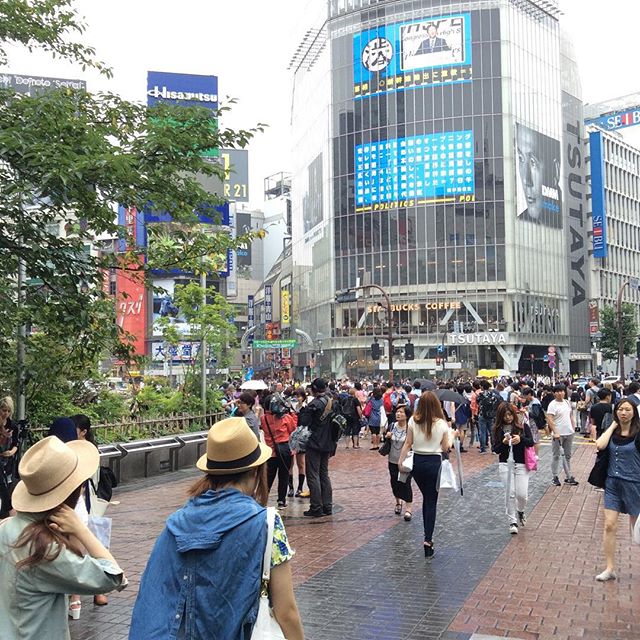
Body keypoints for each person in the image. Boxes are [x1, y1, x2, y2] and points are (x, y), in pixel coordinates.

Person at [129, 417, 304, 639]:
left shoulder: (177, 522)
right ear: (256, 470)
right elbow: (286, 612)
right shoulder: (266, 523)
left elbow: (153, 598)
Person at [0, 436, 126, 639]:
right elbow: (112, 577)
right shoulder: (44, 549)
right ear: (72, 493)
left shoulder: (6, 527)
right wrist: (81, 529)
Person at [398, 391, 452, 559]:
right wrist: (452, 436)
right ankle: (428, 539)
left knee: (426, 497)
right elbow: (445, 447)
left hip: (418, 463)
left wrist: (400, 461)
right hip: (434, 462)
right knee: (431, 501)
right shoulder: (441, 424)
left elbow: (408, 443)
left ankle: (427, 537)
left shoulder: (413, 421)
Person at [594, 399, 640, 582]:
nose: (623, 413)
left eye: (628, 410)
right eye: (620, 409)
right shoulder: (613, 432)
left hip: (635, 485)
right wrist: (613, 426)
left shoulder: (638, 434)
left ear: (634, 413)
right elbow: (599, 445)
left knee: (637, 532)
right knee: (609, 525)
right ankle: (610, 568)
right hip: (613, 484)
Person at [491, 403, 534, 535]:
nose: (508, 418)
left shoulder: (522, 425)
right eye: (505, 416)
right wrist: (504, 443)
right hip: (505, 464)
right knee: (510, 493)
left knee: (522, 495)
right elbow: (495, 449)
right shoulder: (497, 429)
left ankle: (520, 510)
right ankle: (512, 522)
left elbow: (531, 442)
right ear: (500, 416)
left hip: (521, 464)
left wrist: (520, 439)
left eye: (510, 415)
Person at [516, 123, 562, 226]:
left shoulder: (569, 217)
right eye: (521, 158)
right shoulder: (520, 222)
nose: (526, 180)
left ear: (555, 170)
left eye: (533, 162)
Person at [303, 378, 336, 518]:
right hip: (328, 443)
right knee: (324, 474)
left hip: (314, 443)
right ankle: (327, 506)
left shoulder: (314, 404)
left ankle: (316, 507)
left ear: (314, 389)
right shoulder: (331, 402)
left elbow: (303, 422)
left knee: (313, 475)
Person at [261, 394, 297, 508]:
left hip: (271, 452)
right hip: (285, 450)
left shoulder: (263, 418)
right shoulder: (286, 418)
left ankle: (263, 499)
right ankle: (281, 500)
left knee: (268, 477)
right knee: (284, 475)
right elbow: (293, 430)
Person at [385, 404, 413, 521]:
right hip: (392, 459)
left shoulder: (410, 428)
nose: (398, 414)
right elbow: (386, 438)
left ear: (407, 415)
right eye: (397, 412)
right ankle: (398, 502)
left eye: (401, 412)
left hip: (405, 461)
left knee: (405, 483)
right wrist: (387, 436)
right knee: (394, 483)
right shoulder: (392, 426)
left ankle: (408, 509)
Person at [546, 385, 579, 487]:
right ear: (554, 393)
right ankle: (555, 477)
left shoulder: (567, 402)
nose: (560, 393)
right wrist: (555, 432)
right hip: (558, 435)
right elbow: (550, 419)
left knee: (567, 456)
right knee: (556, 456)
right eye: (557, 391)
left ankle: (568, 476)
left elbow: (570, 416)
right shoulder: (552, 405)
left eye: (562, 391)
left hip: (569, 433)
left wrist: (573, 428)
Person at [0, 396, 19, 519]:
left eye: (8, 411)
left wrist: (11, 452)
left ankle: (5, 514)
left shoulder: (13, 425)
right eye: (3, 410)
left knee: (6, 487)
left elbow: (16, 444)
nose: (5, 413)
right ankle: (9, 509)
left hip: (7, 462)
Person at [288, 388, 309, 498]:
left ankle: (300, 488)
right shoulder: (290, 409)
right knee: (290, 464)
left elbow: (305, 423)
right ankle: (291, 488)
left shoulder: (306, 409)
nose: (297, 398)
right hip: (290, 438)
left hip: (301, 439)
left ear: (303, 397)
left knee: (301, 463)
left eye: (299, 396)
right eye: (295, 396)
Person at [477, 381, 502, 453]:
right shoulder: (494, 395)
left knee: (482, 432)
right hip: (491, 415)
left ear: (482, 386)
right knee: (492, 432)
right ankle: (493, 448)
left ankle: (483, 448)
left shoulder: (480, 395)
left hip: (482, 415)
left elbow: (478, 403)